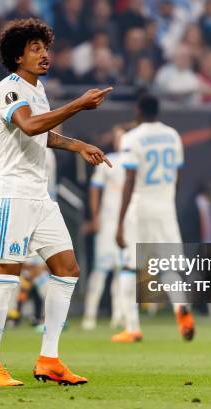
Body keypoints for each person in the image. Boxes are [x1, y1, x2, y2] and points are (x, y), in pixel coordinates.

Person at [0, 18, 113, 387]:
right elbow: (29, 126)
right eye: (35, 48)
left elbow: (44, 133)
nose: (44, 54)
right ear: (17, 55)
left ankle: (49, 359)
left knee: (67, 268)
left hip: (39, 194)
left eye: (45, 47)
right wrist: (79, 104)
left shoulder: (37, 90)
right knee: (7, 275)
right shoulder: (8, 88)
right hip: (12, 192)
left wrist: (78, 145)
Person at [114, 94, 194, 343]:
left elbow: (129, 180)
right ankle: (181, 308)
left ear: (138, 110)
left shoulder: (132, 138)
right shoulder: (172, 135)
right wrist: (168, 198)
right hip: (165, 208)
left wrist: (120, 222)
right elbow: (179, 176)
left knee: (130, 267)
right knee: (168, 269)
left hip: (141, 208)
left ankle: (132, 327)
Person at [81, 127, 126, 331]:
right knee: (100, 271)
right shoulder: (108, 161)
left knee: (123, 272)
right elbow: (94, 188)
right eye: (117, 137)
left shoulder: (137, 162)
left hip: (127, 225)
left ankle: (119, 316)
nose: (119, 140)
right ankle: (89, 316)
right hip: (108, 224)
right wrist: (95, 216)